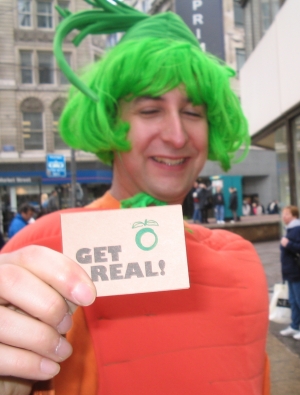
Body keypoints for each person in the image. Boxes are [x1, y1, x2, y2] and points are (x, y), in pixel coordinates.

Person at [0, 1, 270, 394]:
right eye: (149, 109)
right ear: (111, 122)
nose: (177, 136)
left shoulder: (242, 261)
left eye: (194, 113)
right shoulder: (41, 252)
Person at [279, 206, 300, 340]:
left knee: (298, 300)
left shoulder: (297, 229)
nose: (284, 216)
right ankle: (295, 325)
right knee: (293, 301)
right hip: (290, 271)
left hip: (296, 270)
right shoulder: (290, 229)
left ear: (294, 216)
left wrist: (287, 244)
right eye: (283, 214)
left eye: (287, 214)